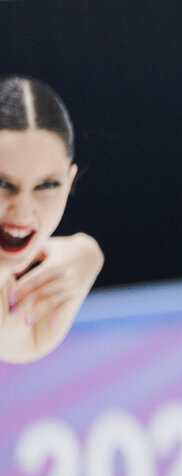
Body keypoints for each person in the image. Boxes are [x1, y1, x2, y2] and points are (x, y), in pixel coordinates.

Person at [0, 75, 103, 363]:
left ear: (69, 182)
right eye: (2, 183)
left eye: (46, 185)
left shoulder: (30, 319)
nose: (22, 212)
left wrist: (88, 253)